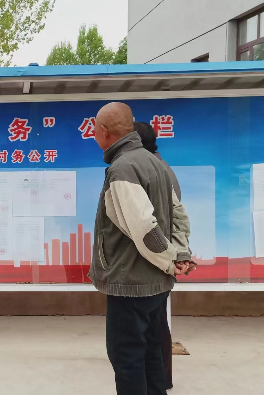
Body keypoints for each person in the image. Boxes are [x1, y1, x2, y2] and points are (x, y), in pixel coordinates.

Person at [88, 102, 191, 395]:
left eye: (94, 130)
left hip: (131, 283)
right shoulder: (155, 162)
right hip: (156, 283)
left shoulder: (123, 169)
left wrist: (170, 260)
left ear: (103, 131)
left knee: (127, 357)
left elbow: (145, 229)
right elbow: (178, 215)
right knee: (151, 353)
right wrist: (180, 254)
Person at [134, 121, 196, 391]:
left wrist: (172, 256)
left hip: (157, 258)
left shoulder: (155, 171)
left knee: (155, 324)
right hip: (159, 256)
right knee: (155, 322)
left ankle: (160, 380)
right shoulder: (157, 167)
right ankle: (159, 379)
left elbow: (169, 220)